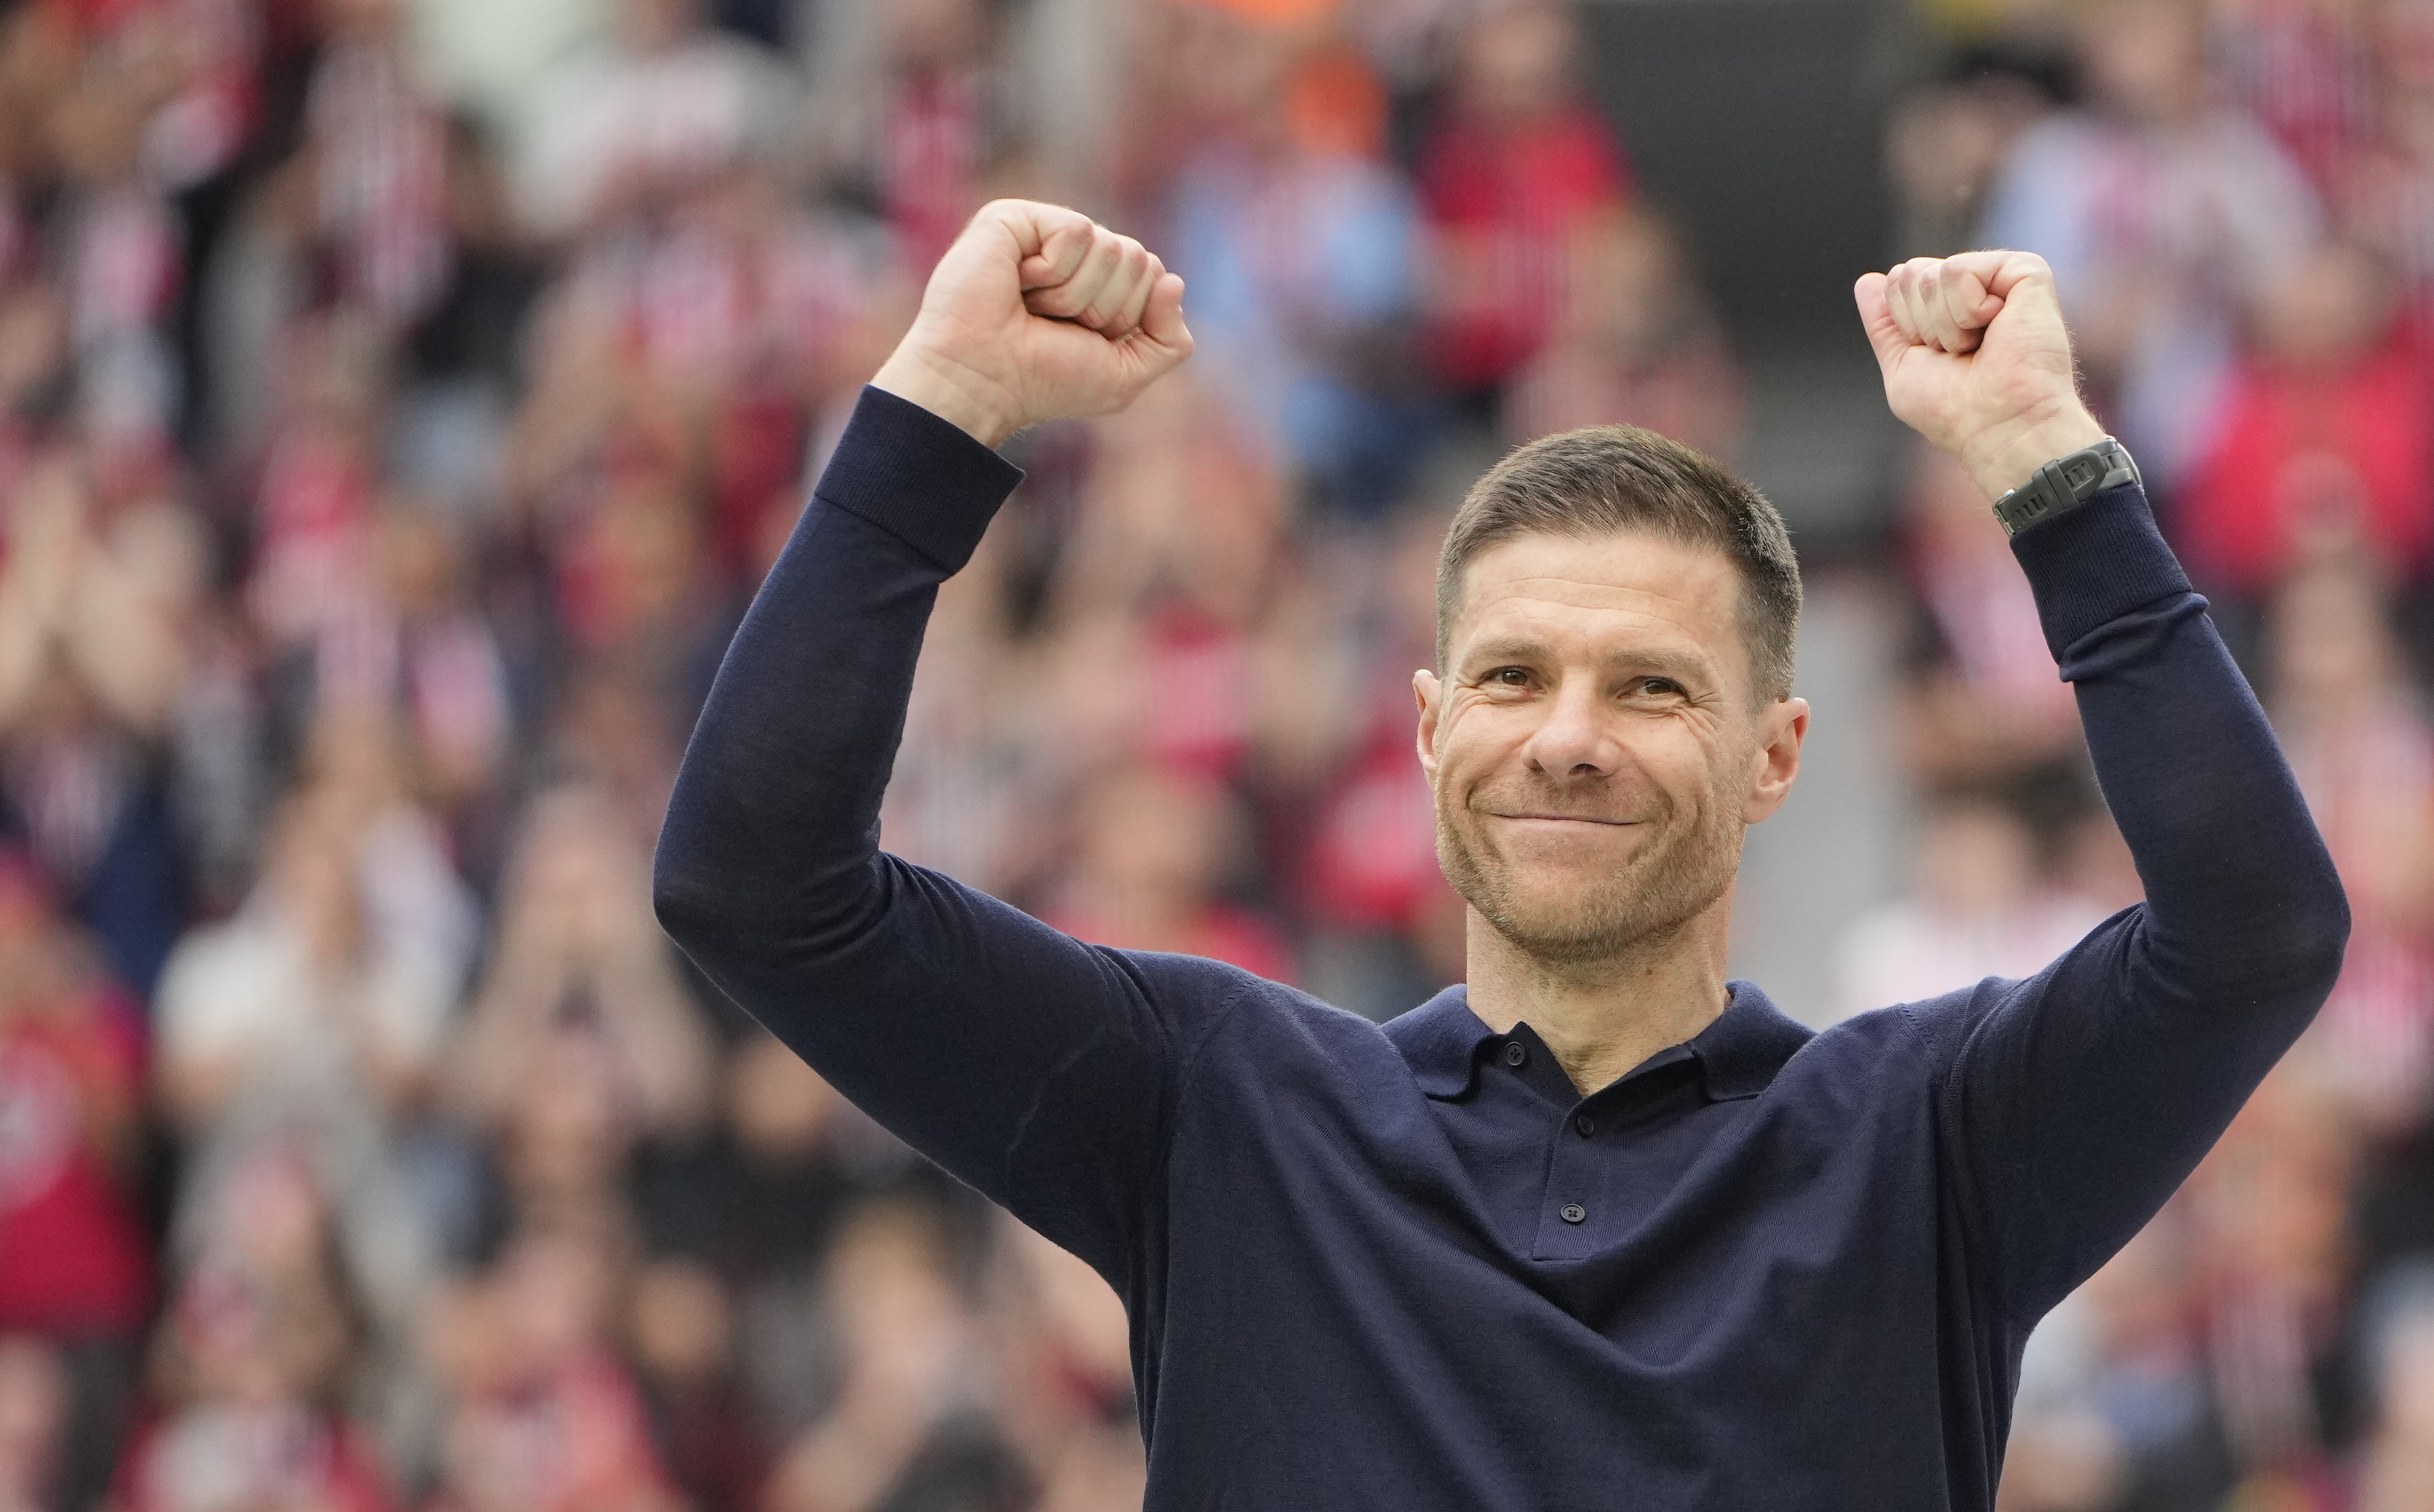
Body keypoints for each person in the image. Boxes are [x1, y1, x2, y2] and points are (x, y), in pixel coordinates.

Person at [654, 198, 2347, 1507]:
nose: (1567, 736)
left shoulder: (1931, 1142)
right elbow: (760, 884)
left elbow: (2253, 932)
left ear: (1776, 756)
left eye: (1651, 686)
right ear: (1426, 728)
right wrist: (943, 407)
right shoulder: (1221, 1110)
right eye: (1514, 677)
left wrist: (2050, 464)